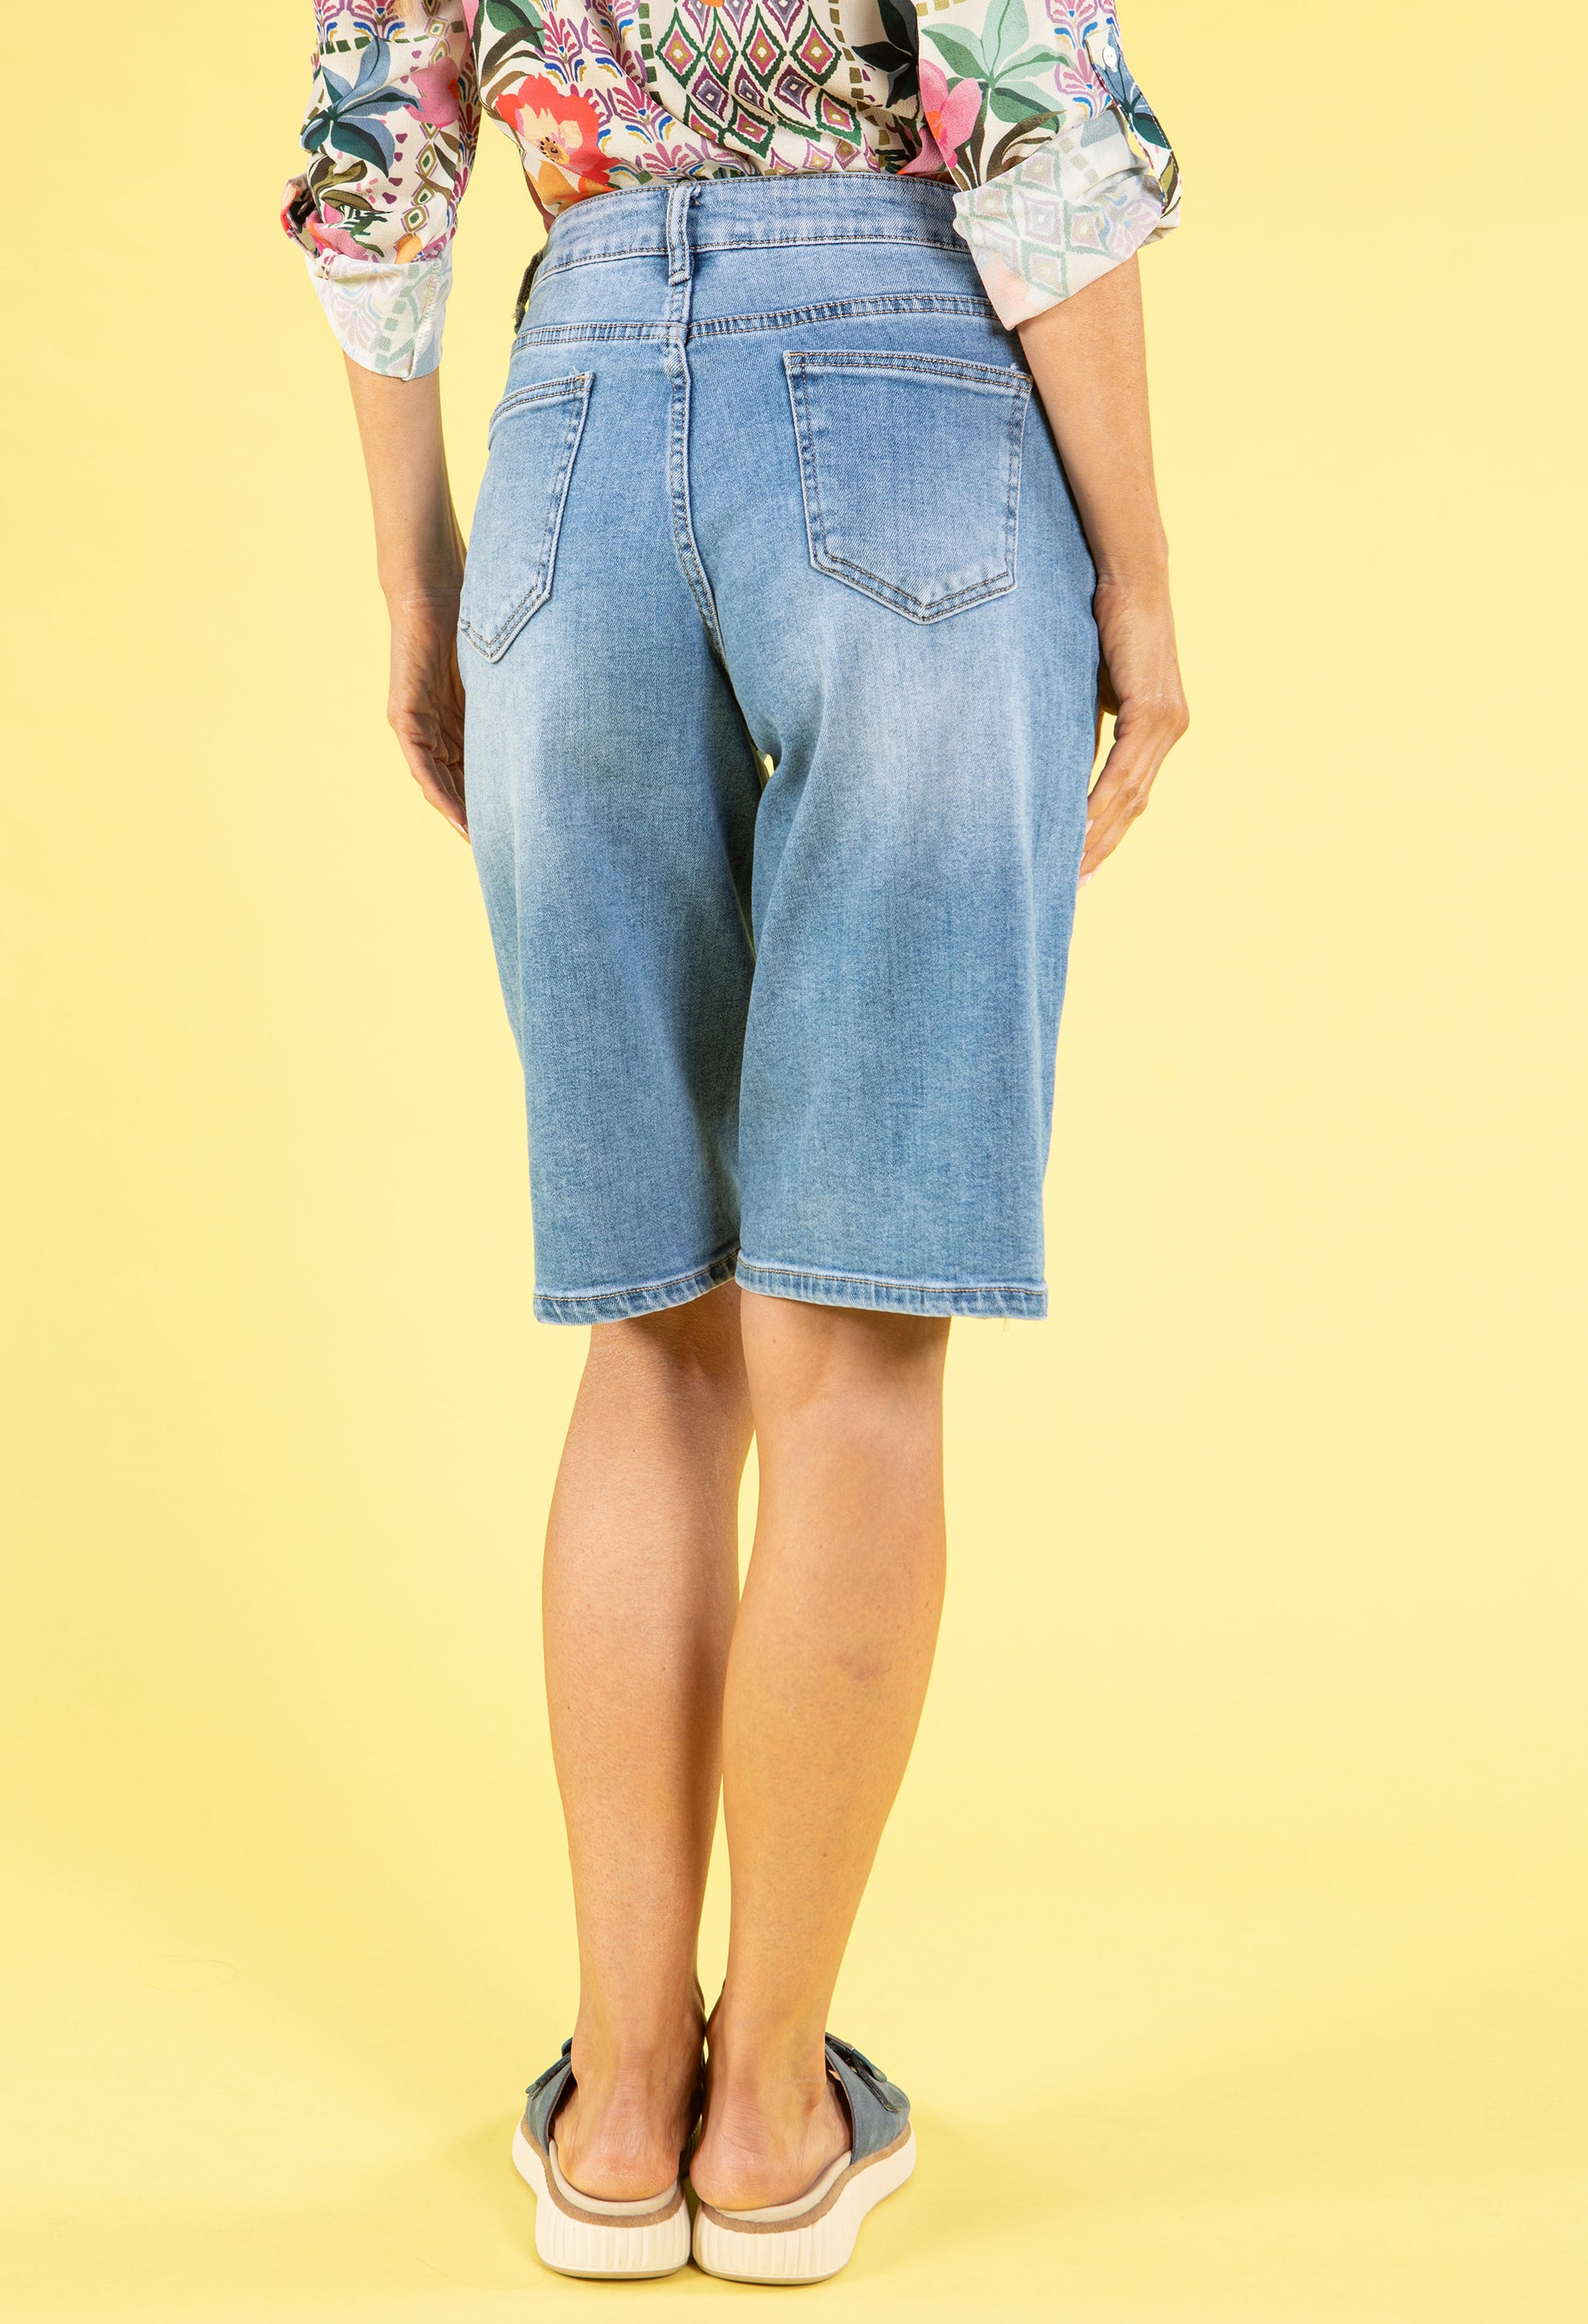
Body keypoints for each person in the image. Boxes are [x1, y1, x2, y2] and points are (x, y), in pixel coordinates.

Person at [283, 0, 1188, 2284]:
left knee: (653, 1328)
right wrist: (1144, 588)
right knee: (851, 1337)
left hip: (571, 430)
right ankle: (769, 2123)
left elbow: (378, 158)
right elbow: (1030, 111)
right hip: (907, 394)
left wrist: (416, 581)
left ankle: (616, 2118)